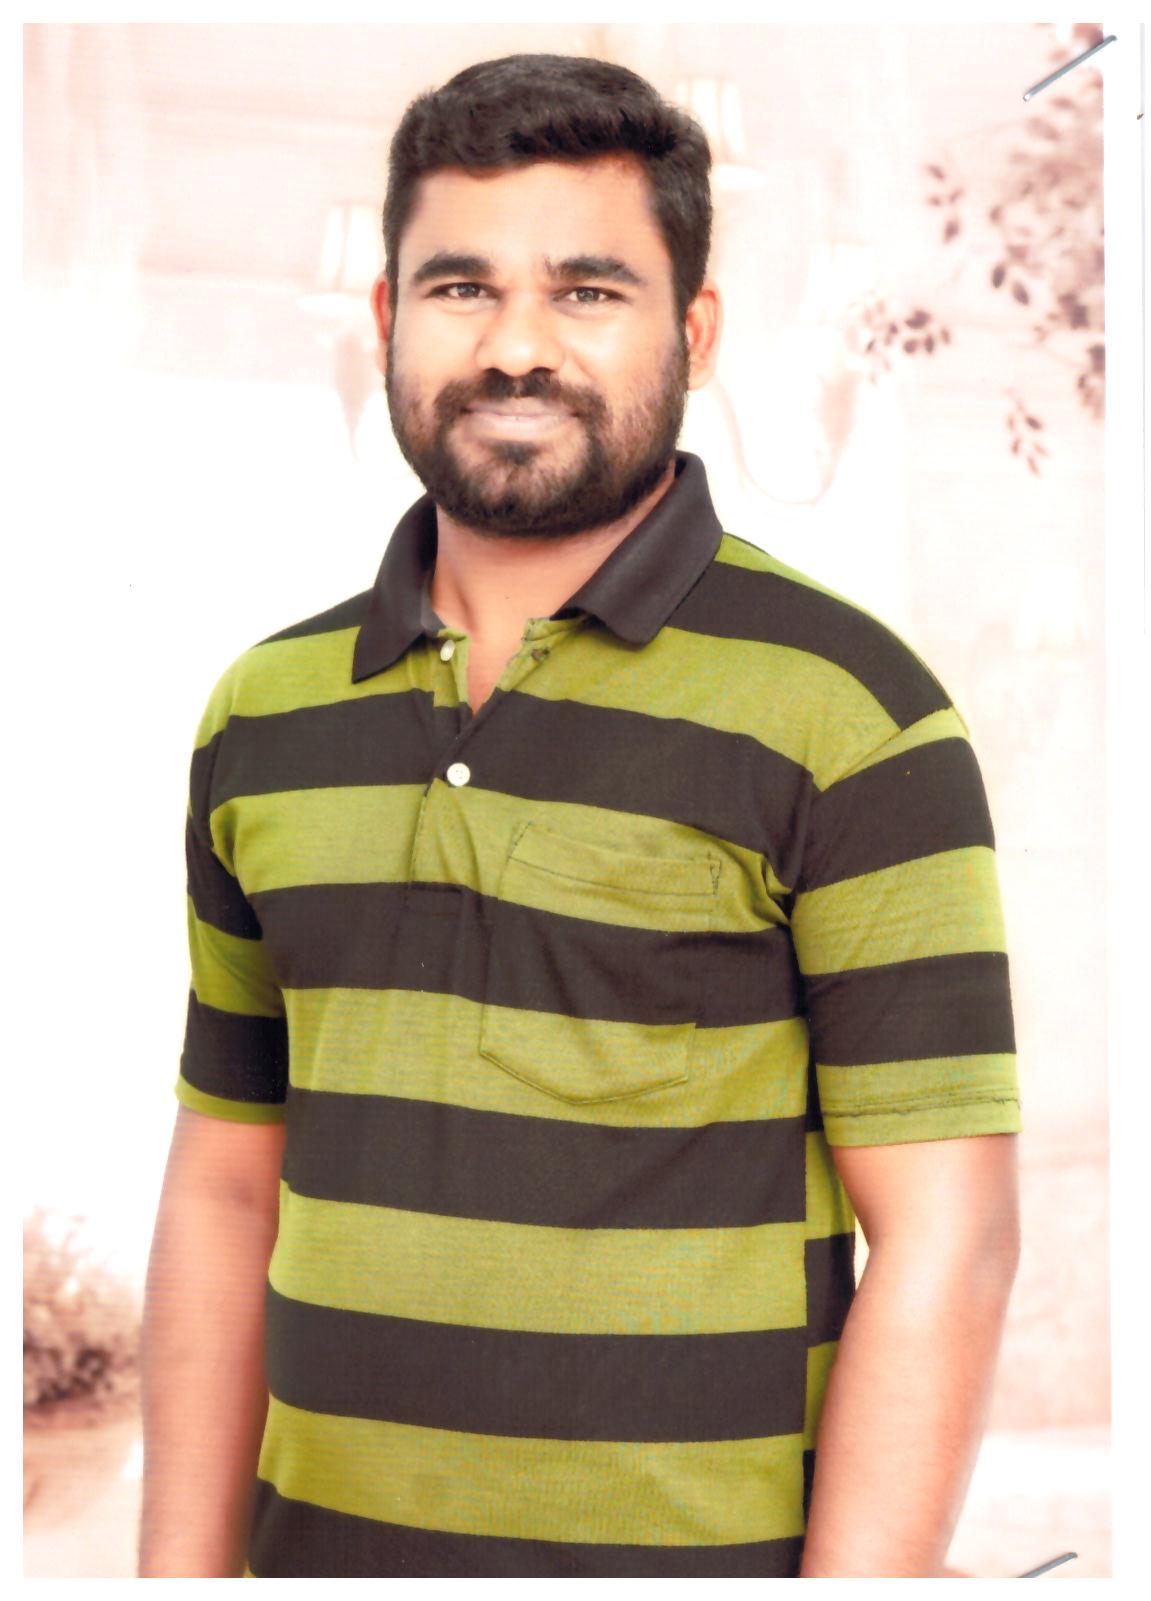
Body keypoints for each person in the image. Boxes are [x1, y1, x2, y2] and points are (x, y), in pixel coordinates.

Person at [139, 53, 1022, 1579]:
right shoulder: (262, 715)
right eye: (461, 287)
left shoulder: (854, 713)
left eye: (589, 291)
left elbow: (950, 1233)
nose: (515, 346)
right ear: (386, 317)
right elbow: (226, 1183)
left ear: (697, 332)